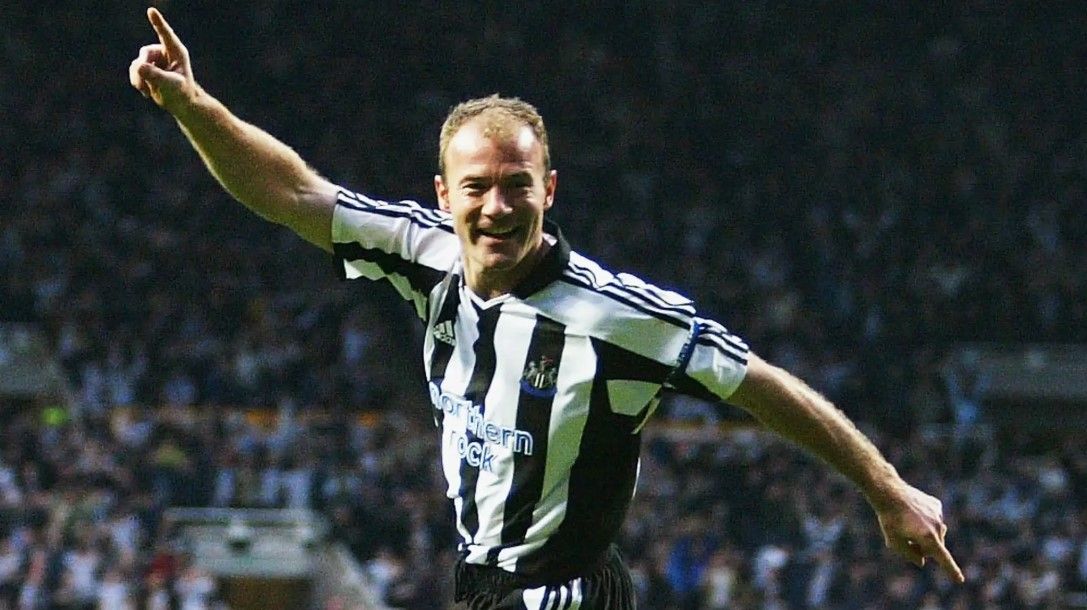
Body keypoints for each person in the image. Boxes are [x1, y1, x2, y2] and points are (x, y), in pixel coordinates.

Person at [128, 8, 965, 609]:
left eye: (516, 186)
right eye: (476, 188)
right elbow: (291, 193)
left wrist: (884, 486)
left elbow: (756, 382)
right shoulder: (421, 252)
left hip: (561, 591)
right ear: (444, 194)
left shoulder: (616, 318)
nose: (496, 207)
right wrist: (195, 108)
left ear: (548, 190)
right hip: (481, 580)